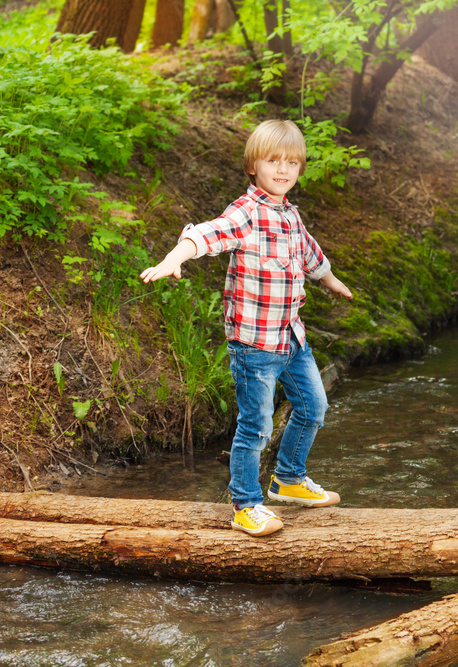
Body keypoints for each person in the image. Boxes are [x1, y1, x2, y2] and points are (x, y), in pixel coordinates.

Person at [140, 119, 352, 537]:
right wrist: (174, 258)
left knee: (314, 407)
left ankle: (288, 479)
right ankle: (245, 504)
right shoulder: (247, 213)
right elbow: (206, 235)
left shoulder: (289, 213)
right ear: (253, 165)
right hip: (254, 344)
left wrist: (329, 279)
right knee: (256, 424)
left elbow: (309, 253)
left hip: (291, 337)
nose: (283, 169)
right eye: (273, 160)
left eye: (292, 162)